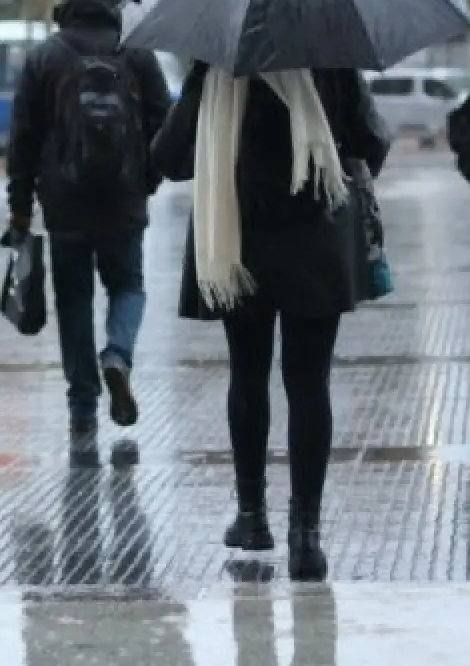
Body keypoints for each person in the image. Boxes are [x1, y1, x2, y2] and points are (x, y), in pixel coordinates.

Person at [151, 59, 389, 582]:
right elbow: (373, 143)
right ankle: (306, 537)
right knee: (309, 384)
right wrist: (324, 157)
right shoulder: (330, 59)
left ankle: (252, 516)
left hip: (239, 239)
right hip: (317, 238)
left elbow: (168, 157)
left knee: (248, 374)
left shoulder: (219, 64)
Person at [5, 0, 173, 435]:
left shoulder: (46, 57)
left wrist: (20, 205)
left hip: (65, 203)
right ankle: (117, 354)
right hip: (123, 199)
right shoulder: (136, 54)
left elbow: (23, 138)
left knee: (73, 300)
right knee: (128, 287)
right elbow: (165, 123)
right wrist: (147, 179)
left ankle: (82, 404)